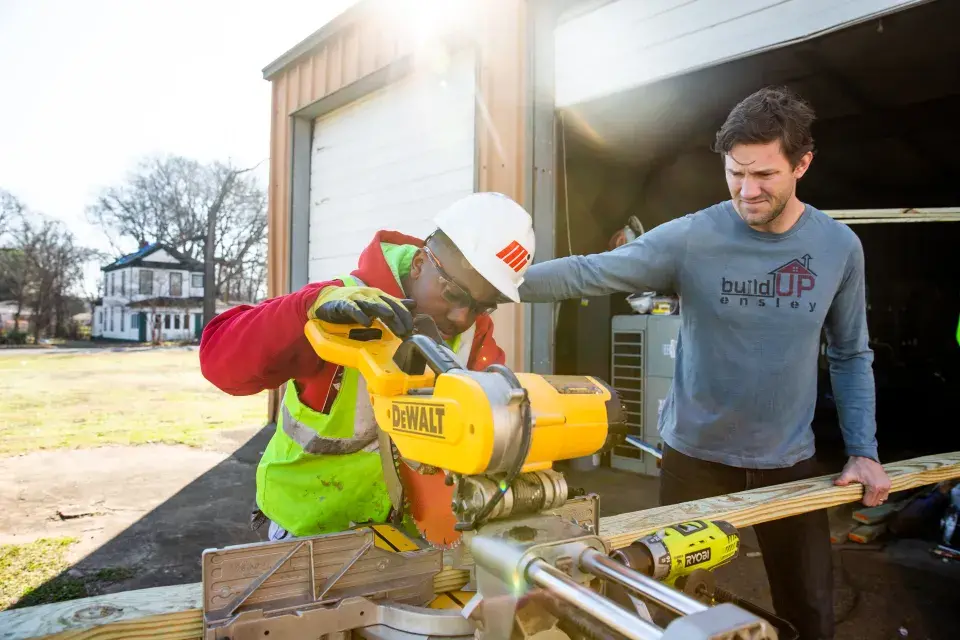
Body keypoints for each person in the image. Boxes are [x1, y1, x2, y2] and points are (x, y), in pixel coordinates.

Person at [516, 86, 891, 640]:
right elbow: (592, 271)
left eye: (763, 175)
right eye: (735, 173)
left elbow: (850, 353)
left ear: (802, 164)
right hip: (694, 458)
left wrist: (863, 451)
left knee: (810, 612)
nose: (747, 190)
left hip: (787, 460)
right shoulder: (694, 236)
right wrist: (487, 281)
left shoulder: (838, 248)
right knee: (676, 610)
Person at [199, 192, 535, 541]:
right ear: (420, 262)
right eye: (454, 294)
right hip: (307, 528)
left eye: (482, 306)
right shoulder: (339, 307)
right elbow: (219, 363)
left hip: (403, 533)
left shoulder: (473, 338)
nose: (462, 317)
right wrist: (302, 312)